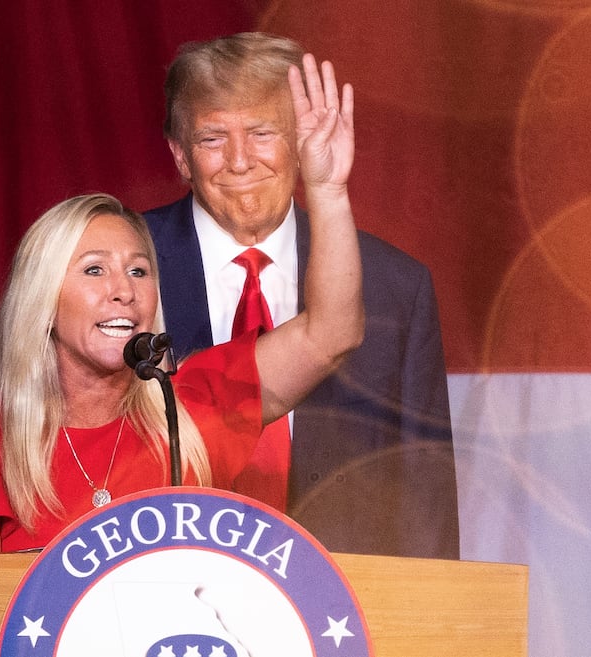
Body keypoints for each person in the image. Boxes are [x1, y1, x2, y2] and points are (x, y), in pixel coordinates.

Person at [0, 57, 361, 554]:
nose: (123, 290)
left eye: (138, 270)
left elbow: (330, 335)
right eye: (94, 270)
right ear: (41, 300)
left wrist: (328, 190)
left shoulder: (191, 410)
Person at [145, 32, 459, 559]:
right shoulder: (116, 271)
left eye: (263, 132)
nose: (240, 162)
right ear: (180, 155)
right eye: (213, 139)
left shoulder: (394, 288)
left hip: (340, 614)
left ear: (301, 138)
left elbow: (424, 498)